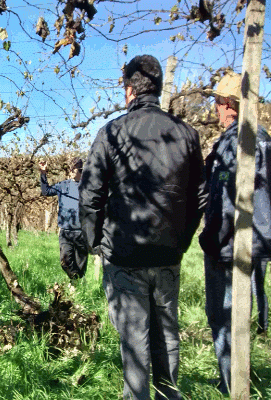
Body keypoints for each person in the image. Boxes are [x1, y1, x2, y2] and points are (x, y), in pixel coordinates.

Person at [79, 54, 207, 400]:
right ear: (160, 87)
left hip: (125, 255)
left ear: (127, 90)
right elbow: (200, 197)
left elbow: (89, 196)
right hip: (168, 253)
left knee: (135, 345)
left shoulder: (112, 133)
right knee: (166, 337)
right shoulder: (187, 134)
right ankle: (168, 394)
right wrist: (180, 241)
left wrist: (97, 244)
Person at [198, 71, 271, 394]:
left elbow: (224, 202)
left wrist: (209, 239)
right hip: (258, 240)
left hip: (228, 246)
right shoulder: (264, 137)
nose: (214, 108)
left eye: (216, 101)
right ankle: (236, 377)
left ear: (228, 105)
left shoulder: (232, 143)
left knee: (222, 315)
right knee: (242, 314)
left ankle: (231, 383)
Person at [38, 157, 88, 281]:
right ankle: (74, 279)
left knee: (80, 265)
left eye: (73, 168)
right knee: (65, 262)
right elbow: (46, 191)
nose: (70, 171)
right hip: (66, 231)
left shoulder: (88, 187)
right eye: (69, 168)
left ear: (80, 170)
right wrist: (43, 173)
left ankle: (76, 287)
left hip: (83, 232)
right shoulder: (63, 185)